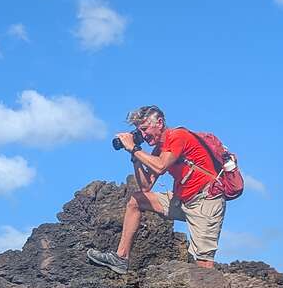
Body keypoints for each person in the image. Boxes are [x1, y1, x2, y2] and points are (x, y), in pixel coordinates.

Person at [86, 105, 226, 274]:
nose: (143, 135)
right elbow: (146, 186)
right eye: (140, 131)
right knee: (136, 201)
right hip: (182, 200)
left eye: (145, 129)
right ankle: (121, 258)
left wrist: (134, 148)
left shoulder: (177, 136)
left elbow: (160, 167)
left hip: (205, 200)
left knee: (204, 264)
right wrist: (134, 157)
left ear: (159, 123)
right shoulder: (159, 149)